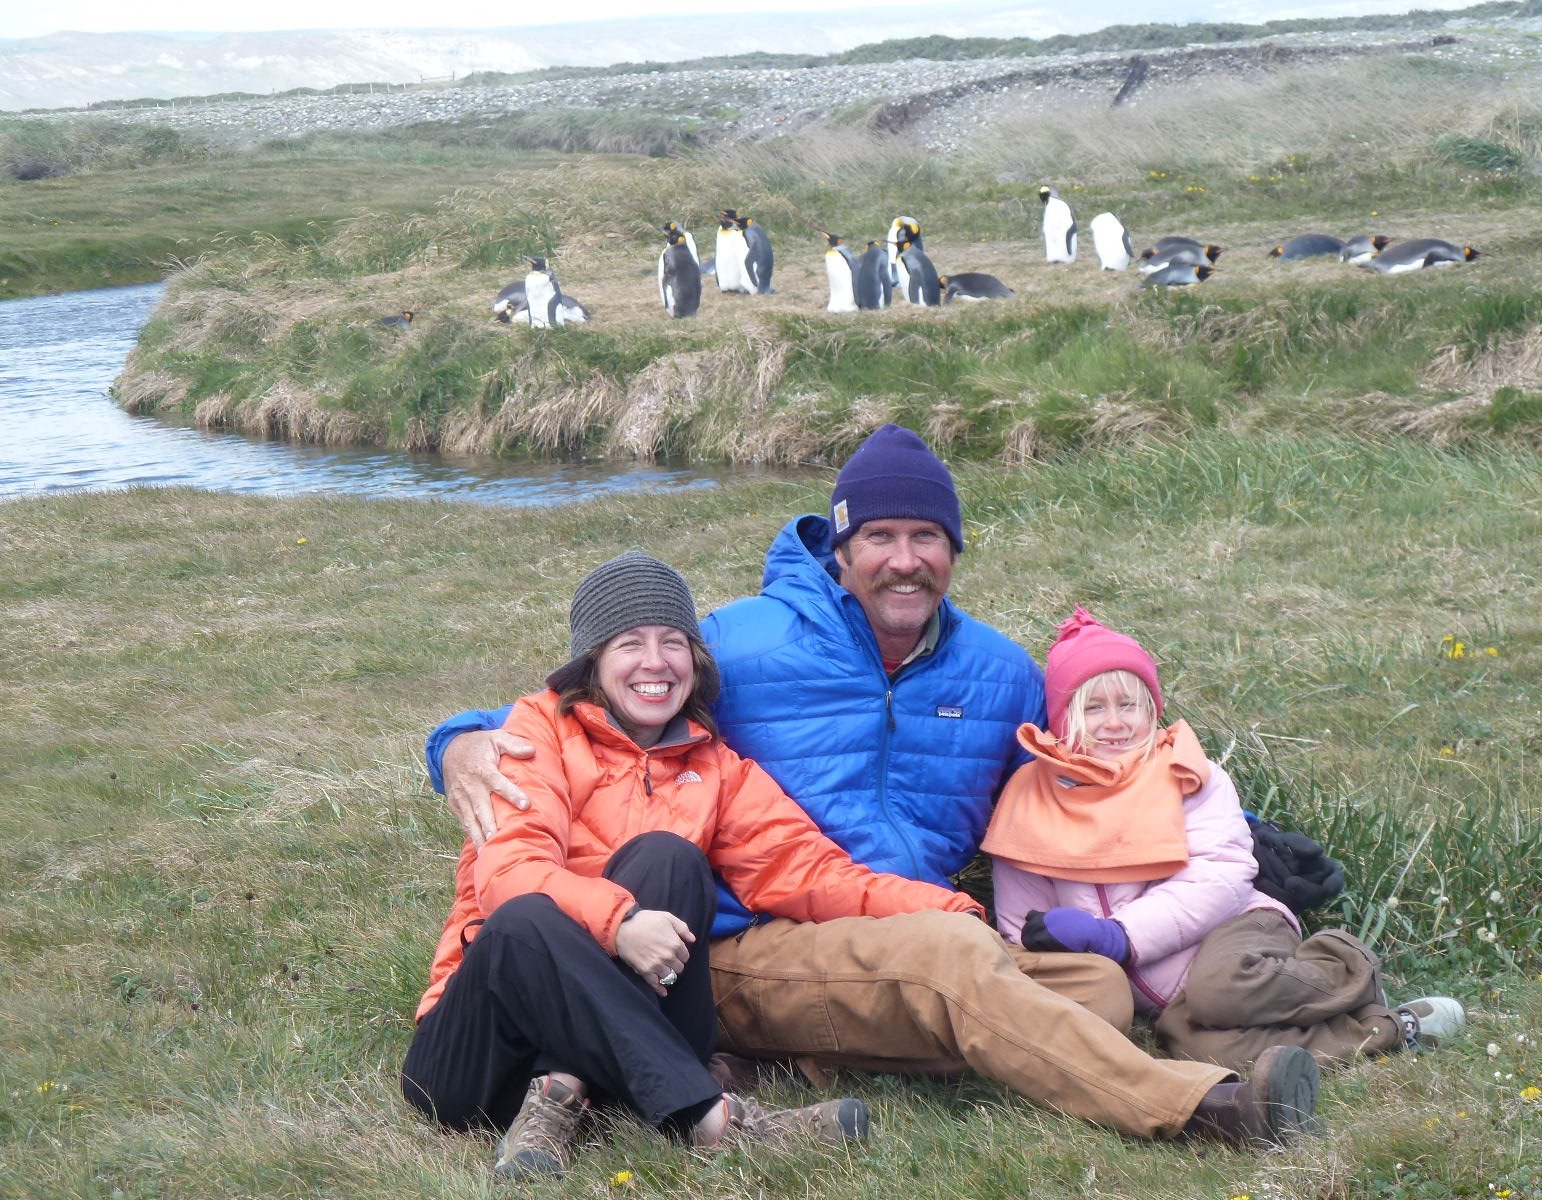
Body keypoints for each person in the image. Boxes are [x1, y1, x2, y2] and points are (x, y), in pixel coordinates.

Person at [427, 424, 1321, 1145]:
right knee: (949, 966)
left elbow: (1074, 776)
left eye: (925, 536)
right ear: (842, 551)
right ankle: (1199, 1107)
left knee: (1093, 989)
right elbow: (579, 710)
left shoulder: (994, 677)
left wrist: (1235, 829)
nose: (904, 559)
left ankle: (800, 1052)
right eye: (880, 537)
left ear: (954, 551)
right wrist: (457, 741)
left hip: (866, 912)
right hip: (735, 947)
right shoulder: (745, 645)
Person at [401, 550, 989, 1180]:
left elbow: (809, 872)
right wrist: (621, 922)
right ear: (593, 661)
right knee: (519, 921)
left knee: (670, 859)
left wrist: (957, 907)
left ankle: (561, 1092)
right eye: (630, 642)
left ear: (695, 660)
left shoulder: (713, 766)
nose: (655, 662)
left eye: (673, 642)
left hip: (621, 1057)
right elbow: (507, 871)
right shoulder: (534, 732)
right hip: (475, 1059)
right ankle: (709, 1118)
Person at [982, 607, 1466, 1071]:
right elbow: (1023, 925)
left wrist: (1120, 936)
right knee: (1196, 1048)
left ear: (1153, 708)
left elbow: (1221, 876)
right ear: (1064, 716)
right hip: (1164, 994)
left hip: (1232, 930)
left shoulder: (1189, 774)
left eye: (1130, 704)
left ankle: (1345, 969)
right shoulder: (1030, 798)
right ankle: (1390, 1029)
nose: (1114, 722)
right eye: (1093, 707)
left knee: (1223, 989)